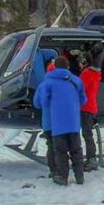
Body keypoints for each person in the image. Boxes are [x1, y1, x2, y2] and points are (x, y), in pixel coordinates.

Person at [34, 56, 87, 186]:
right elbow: (83, 100)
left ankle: (62, 177)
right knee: (76, 149)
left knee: (60, 151)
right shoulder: (76, 80)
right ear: (68, 66)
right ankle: (80, 177)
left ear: (55, 67)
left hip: (57, 123)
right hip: (73, 122)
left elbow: (43, 103)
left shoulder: (47, 83)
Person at [78, 53, 103, 171]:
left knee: (87, 134)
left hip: (85, 107)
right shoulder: (96, 74)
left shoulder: (86, 74)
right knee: (88, 134)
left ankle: (91, 159)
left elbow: (80, 88)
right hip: (92, 106)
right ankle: (91, 158)